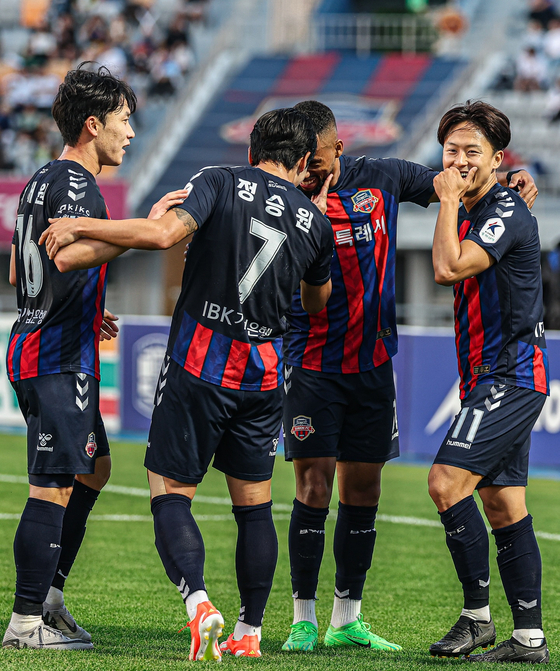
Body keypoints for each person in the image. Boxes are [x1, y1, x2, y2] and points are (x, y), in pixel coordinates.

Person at [39, 107, 335, 661]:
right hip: (266, 374)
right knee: (254, 506)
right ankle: (250, 631)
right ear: (301, 163)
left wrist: (81, 224)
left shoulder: (219, 180)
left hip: (202, 362)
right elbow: (316, 305)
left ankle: (199, 604)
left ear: (253, 151)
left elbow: (161, 234)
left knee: (170, 493)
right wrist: (309, 225)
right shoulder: (316, 223)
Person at [279, 100, 538, 654]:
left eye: (317, 158)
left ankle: (347, 616)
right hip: (311, 362)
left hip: (375, 365)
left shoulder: (385, 176)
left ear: (337, 150)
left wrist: (509, 179)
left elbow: (455, 188)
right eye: (301, 159)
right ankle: (303, 618)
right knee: (312, 487)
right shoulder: (290, 195)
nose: (309, 167)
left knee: (366, 489)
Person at [2, 64, 188, 652]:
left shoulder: (38, 179)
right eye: (124, 121)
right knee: (53, 484)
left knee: (93, 469)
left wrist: (85, 306)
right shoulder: (80, 186)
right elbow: (65, 257)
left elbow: (19, 270)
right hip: (54, 353)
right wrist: (149, 226)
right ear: (92, 125)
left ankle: (50, 600)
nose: (130, 133)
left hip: (43, 337)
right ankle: (26, 623)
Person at [428, 100, 549, 663]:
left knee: (445, 484)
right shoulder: (489, 203)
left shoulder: (498, 208)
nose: (458, 161)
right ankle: (528, 640)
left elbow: (448, 268)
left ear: (496, 159)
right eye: (451, 150)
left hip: (511, 373)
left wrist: (448, 200)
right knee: (504, 505)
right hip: (494, 373)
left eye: (471, 152)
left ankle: (477, 619)